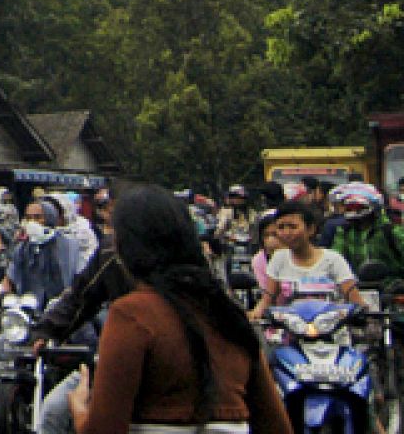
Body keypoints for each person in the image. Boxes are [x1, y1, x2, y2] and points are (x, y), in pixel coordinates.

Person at [67, 186, 290, 434]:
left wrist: (79, 409)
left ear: (125, 247)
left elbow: (103, 429)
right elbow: (276, 425)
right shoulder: (227, 313)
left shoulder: (132, 314)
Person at [28, 235, 134, 434]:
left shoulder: (184, 261)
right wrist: (47, 330)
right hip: (115, 363)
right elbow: (81, 296)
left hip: (168, 377)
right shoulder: (111, 253)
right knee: (53, 411)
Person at [250, 200, 361, 318]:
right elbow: (267, 300)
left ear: (311, 229)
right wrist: (252, 316)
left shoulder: (333, 260)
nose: (286, 233)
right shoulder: (278, 259)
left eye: (292, 227)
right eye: (281, 227)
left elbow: (356, 301)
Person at [3, 197, 78, 303]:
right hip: (30, 303)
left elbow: (75, 274)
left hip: (60, 304)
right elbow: (11, 274)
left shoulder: (67, 244)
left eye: (37, 217)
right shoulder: (22, 247)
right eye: (28, 218)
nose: (32, 222)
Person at [330, 181, 404, 278]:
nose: (353, 212)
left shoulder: (391, 231)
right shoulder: (344, 231)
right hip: (356, 284)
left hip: (393, 284)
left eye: (358, 207)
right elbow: (336, 260)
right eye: (349, 208)